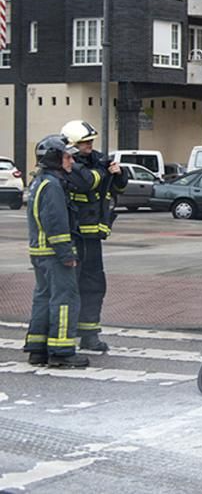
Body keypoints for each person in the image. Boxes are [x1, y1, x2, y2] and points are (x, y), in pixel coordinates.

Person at [60, 120, 127, 354]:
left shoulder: (96, 159)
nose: (90, 145)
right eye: (85, 142)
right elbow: (87, 182)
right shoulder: (68, 164)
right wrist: (103, 171)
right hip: (74, 236)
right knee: (70, 288)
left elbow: (117, 186)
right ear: (72, 145)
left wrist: (119, 174)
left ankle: (89, 336)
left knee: (94, 285)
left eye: (90, 142)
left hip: (92, 238)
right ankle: (63, 337)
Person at [22, 135, 88, 368]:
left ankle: (37, 349)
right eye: (67, 156)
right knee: (64, 300)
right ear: (54, 159)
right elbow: (56, 223)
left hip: (40, 253)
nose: (71, 161)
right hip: (54, 255)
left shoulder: (39, 182)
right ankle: (61, 351)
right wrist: (66, 255)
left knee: (42, 298)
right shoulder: (52, 186)